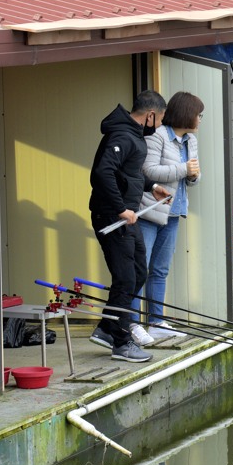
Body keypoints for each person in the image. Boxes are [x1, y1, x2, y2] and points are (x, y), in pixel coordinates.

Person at [88, 90, 170, 363]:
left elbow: (129, 174)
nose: (158, 126)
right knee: (124, 278)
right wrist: (120, 208)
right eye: (158, 120)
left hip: (127, 216)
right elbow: (103, 172)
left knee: (138, 272)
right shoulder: (123, 135)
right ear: (150, 115)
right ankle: (122, 342)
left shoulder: (134, 136)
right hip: (114, 218)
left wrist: (153, 187)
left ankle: (107, 328)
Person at [135, 91, 204, 340]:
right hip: (150, 211)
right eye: (198, 114)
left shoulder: (190, 141)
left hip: (175, 211)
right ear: (187, 114)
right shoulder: (158, 136)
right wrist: (184, 169)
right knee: (140, 268)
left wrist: (194, 175)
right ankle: (133, 324)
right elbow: (148, 171)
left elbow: (193, 176)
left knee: (160, 269)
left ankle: (157, 322)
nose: (200, 119)